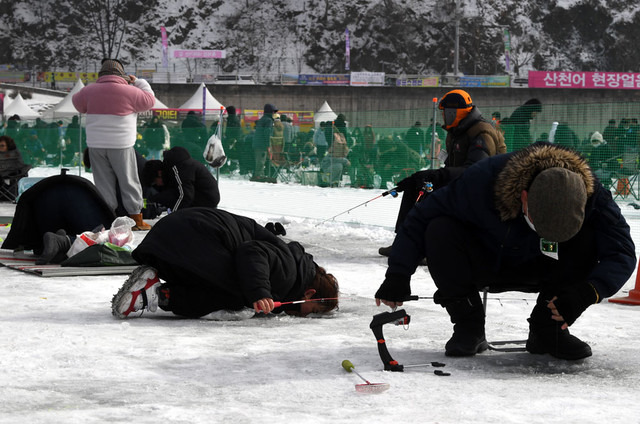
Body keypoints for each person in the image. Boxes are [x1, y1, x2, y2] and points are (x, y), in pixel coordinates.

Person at [375, 142, 636, 360]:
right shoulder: (483, 179)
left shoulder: (594, 195)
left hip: (548, 269)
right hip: (488, 259)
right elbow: (420, 217)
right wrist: (398, 274)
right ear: (524, 197)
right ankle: (469, 326)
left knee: (591, 238)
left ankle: (548, 329)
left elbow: (622, 251)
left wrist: (587, 292)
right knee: (439, 229)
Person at [111, 207, 340, 319]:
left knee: (244, 294)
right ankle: (157, 294)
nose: (309, 314)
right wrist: (260, 292)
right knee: (242, 295)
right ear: (309, 294)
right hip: (189, 237)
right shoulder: (290, 272)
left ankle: (157, 291)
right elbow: (252, 251)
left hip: (172, 240)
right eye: (315, 310)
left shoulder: (293, 269)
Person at [379, 89, 506, 256]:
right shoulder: (457, 131)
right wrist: (424, 177)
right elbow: (451, 165)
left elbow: (476, 171)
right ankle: (403, 241)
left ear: (455, 111)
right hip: (461, 184)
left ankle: (424, 248)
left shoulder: (481, 132)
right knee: (415, 188)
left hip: (481, 191)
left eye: (445, 112)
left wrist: (438, 176)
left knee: (430, 202)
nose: (444, 116)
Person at [72, 58, 155, 231]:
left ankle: (107, 218)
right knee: (129, 181)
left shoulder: (89, 91)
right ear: (121, 75)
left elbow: (77, 103)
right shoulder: (130, 91)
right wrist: (138, 81)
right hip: (121, 144)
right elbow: (149, 101)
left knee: (103, 184)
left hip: (96, 145)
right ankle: (136, 219)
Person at [148, 146, 220, 211]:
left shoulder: (180, 168)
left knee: (173, 195)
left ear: (159, 173)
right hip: (208, 199)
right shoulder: (184, 164)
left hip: (206, 202)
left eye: (155, 181)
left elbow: (185, 195)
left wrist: (174, 215)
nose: (157, 184)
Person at [251, 104, 277, 181]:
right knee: (261, 161)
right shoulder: (268, 120)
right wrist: (268, 145)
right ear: (270, 112)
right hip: (262, 144)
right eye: (273, 111)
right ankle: (258, 176)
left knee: (259, 160)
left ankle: (258, 175)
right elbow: (267, 133)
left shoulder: (262, 119)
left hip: (257, 143)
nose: (274, 113)